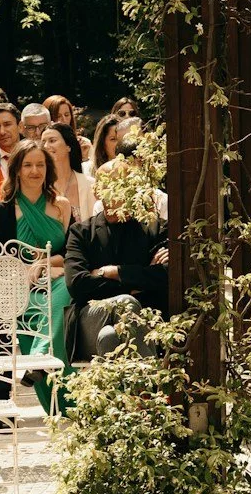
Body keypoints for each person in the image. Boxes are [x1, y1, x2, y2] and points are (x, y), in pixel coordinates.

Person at [60, 154, 171, 362]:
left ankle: (135, 392)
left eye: (127, 183)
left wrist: (114, 272)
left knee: (111, 337)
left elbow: (166, 276)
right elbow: (77, 284)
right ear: (98, 190)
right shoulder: (81, 232)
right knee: (125, 303)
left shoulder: (155, 228)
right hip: (92, 319)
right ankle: (149, 390)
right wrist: (135, 283)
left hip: (148, 323)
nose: (123, 190)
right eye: (115, 183)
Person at [0, 136, 75, 374]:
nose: (35, 171)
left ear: (48, 169)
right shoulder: (1, 212)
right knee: (51, 311)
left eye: (41, 165)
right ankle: (40, 361)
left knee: (66, 287)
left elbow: (73, 252)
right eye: (27, 165)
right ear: (16, 169)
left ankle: (38, 359)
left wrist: (46, 263)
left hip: (57, 282)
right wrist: (27, 272)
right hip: (19, 290)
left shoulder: (62, 206)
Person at [41, 123, 94, 222]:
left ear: (68, 146)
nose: (46, 146)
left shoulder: (91, 185)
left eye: (52, 141)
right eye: (43, 142)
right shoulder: (39, 186)